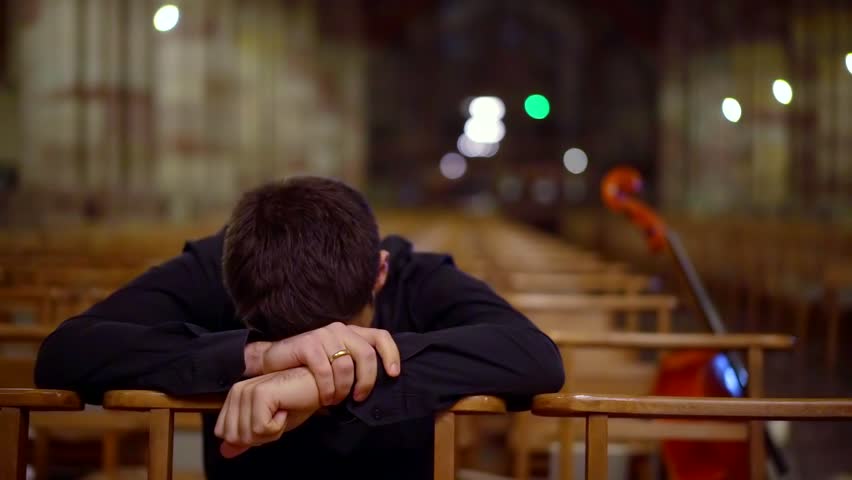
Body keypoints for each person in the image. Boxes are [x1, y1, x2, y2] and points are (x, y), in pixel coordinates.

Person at [35, 176, 564, 479]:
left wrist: (319, 377)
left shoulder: (417, 276)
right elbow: (66, 352)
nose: (320, 350)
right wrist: (260, 357)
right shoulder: (222, 262)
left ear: (381, 271)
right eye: (294, 346)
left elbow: (535, 356)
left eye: (340, 333)